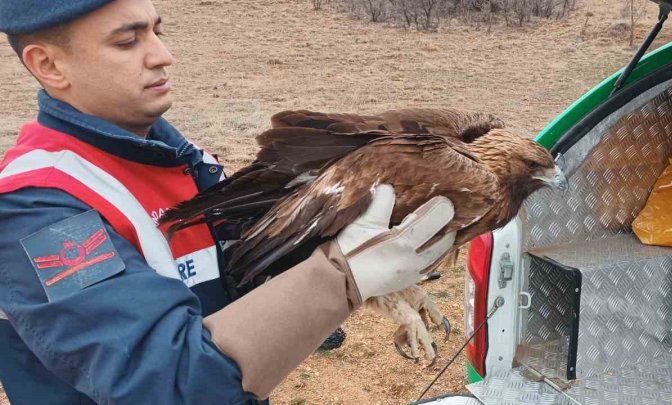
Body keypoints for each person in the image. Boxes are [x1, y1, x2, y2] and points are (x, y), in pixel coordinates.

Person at [0, 0, 457, 403]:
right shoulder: (39, 210)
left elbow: (238, 280)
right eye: (127, 42)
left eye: (157, 31)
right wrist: (339, 276)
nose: (163, 55)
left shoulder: (183, 161)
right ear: (50, 65)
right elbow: (171, 384)